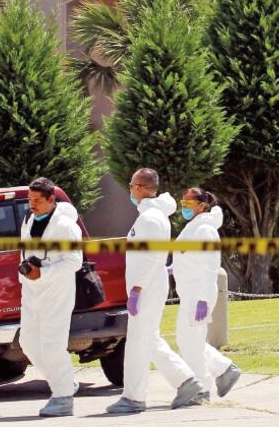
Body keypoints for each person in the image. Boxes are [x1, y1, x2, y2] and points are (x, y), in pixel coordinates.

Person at [107, 168, 202, 415]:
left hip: (147, 286)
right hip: (148, 285)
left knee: (139, 340)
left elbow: (150, 258)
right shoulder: (151, 216)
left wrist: (137, 289)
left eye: (130, 186)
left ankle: (134, 397)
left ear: (139, 187)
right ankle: (187, 382)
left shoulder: (150, 219)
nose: (130, 190)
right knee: (148, 338)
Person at [18, 177, 83, 418]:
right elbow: (25, 252)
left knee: (52, 344)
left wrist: (43, 273)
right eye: (29, 199)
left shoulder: (65, 226)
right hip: (31, 292)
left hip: (57, 292)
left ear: (51, 200)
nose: (32, 204)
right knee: (28, 342)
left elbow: (74, 261)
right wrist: (27, 274)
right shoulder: (28, 220)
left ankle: (63, 397)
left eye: (37, 200)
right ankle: (65, 381)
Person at [171, 187, 242, 402]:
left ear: (203, 205)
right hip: (191, 292)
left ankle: (202, 388)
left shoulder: (205, 230)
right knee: (190, 339)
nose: (185, 207)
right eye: (183, 203)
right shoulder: (194, 227)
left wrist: (202, 299)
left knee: (188, 341)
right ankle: (224, 370)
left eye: (189, 203)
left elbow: (209, 266)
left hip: (198, 294)